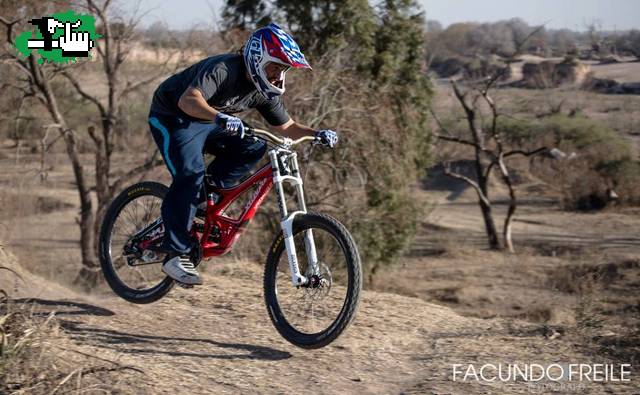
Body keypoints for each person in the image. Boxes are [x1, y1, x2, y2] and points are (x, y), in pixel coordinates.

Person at [148, 23, 338, 286]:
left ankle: (206, 197)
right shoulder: (223, 69)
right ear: (258, 58)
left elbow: (287, 127)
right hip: (173, 117)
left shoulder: (264, 91)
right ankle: (175, 254)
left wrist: (316, 133)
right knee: (190, 174)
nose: (278, 75)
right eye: (276, 66)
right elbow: (188, 100)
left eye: (283, 70)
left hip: (211, 122)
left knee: (254, 145)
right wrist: (221, 117)